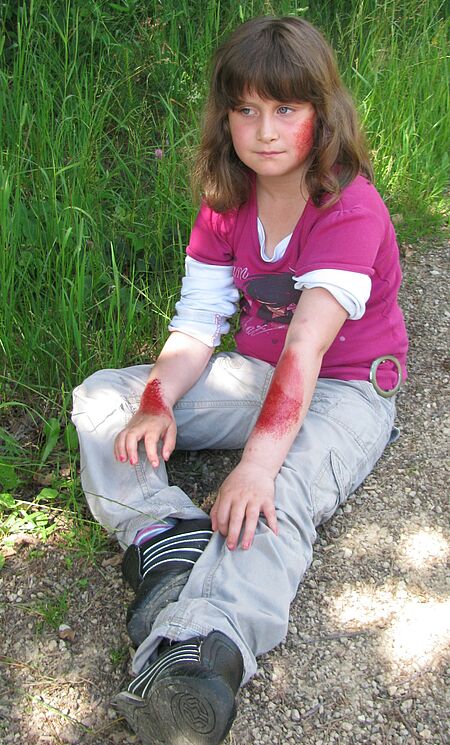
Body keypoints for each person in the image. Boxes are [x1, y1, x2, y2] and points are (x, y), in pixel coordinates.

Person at [72, 15, 408, 745]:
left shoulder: (349, 206)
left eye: (286, 109)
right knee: (106, 398)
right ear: (225, 118)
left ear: (323, 113)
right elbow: (197, 326)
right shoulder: (228, 200)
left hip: (346, 387)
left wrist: (255, 466)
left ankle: (203, 646)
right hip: (260, 375)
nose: (265, 131)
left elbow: (307, 348)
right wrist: (156, 401)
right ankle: (162, 538)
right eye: (246, 109)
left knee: (277, 491)